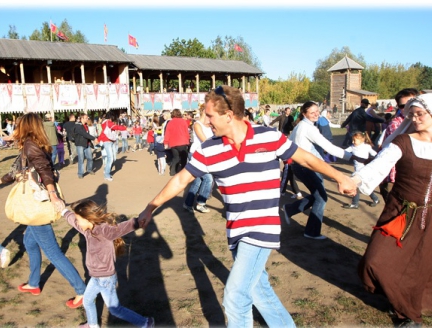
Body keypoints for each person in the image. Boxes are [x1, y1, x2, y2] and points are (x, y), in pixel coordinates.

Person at [137, 86, 356, 328]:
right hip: (236, 230)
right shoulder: (209, 148)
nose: (205, 121)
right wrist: (151, 207)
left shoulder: (269, 137)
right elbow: (181, 180)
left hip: (262, 228)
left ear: (229, 115)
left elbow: (305, 157)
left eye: (210, 116)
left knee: (235, 297)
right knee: (260, 291)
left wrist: (340, 177)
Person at [354, 93, 432, 326]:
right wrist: (354, 181)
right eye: (412, 114)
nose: (415, 119)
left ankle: (406, 311)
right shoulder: (403, 142)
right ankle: (401, 300)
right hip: (401, 212)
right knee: (375, 261)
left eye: (420, 114)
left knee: (424, 262)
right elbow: (378, 166)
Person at [0, 113, 86, 305]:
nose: (15, 128)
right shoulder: (33, 144)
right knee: (30, 242)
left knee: (53, 252)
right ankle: (34, 283)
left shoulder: (30, 145)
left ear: (26, 126)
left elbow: (44, 169)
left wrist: (52, 194)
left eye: (18, 125)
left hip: (36, 205)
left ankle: (81, 291)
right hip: (35, 204)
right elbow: (17, 171)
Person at [63, 200, 154, 328]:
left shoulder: (104, 230)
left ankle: (145, 323)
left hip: (106, 279)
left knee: (115, 309)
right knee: (87, 301)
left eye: (79, 219)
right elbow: (73, 220)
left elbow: (121, 228)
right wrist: (63, 211)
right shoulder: (87, 230)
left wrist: (137, 222)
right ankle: (92, 325)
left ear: (88, 218)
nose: (78, 222)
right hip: (95, 277)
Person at [283, 101, 352, 240]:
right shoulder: (308, 128)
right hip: (307, 166)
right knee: (321, 198)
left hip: (304, 165)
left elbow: (289, 143)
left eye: (317, 111)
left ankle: (291, 209)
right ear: (304, 114)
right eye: (312, 112)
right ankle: (312, 231)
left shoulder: (300, 126)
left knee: (318, 196)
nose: (316, 114)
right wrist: (351, 156)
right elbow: (329, 147)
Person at [378, 88, 419, 202]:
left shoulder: (424, 122)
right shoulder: (396, 125)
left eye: (411, 104)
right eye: (403, 106)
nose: (407, 108)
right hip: (397, 179)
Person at [182, 105, 214, 213]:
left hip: (205, 155)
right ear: (204, 111)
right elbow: (205, 140)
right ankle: (201, 203)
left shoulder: (211, 125)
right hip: (195, 155)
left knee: (198, 181)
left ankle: (187, 203)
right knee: (208, 179)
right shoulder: (197, 124)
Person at [342, 132, 379, 209]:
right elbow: (343, 152)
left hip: (364, 171)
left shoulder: (367, 147)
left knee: (356, 186)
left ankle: (355, 203)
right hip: (357, 171)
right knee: (363, 186)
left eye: (354, 140)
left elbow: (375, 154)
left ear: (361, 140)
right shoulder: (352, 147)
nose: (352, 142)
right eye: (352, 140)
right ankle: (375, 199)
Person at [98, 112, 126, 181]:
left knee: (112, 158)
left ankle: (106, 170)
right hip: (107, 141)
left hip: (110, 141)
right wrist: (125, 128)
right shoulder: (108, 122)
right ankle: (107, 175)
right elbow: (115, 127)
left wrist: (99, 139)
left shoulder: (105, 123)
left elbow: (103, 132)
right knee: (110, 158)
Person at [163, 109, 190, 176]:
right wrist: (188, 140)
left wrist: (166, 142)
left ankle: (172, 171)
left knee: (176, 158)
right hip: (182, 142)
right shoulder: (183, 121)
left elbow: (167, 134)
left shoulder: (170, 122)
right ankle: (182, 172)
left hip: (173, 143)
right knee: (184, 158)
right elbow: (186, 132)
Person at [73, 113, 96, 179]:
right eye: (86, 118)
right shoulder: (78, 126)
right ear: (82, 118)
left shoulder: (86, 125)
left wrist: (91, 141)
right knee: (81, 159)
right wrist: (94, 138)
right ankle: (80, 173)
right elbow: (84, 134)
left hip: (87, 144)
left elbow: (87, 134)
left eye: (87, 118)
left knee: (90, 158)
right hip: (80, 144)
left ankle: (89, 169)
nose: (87, 119)